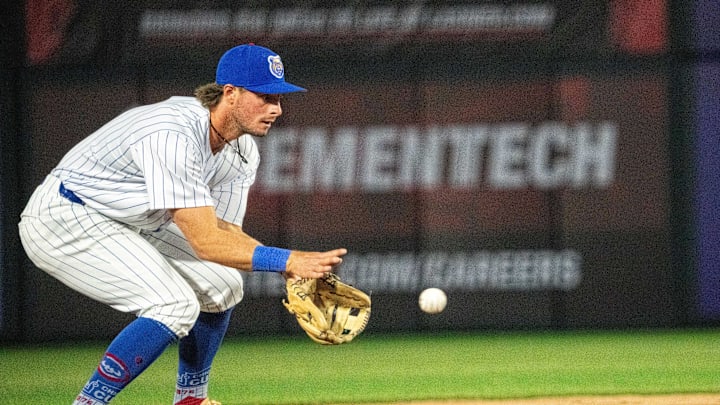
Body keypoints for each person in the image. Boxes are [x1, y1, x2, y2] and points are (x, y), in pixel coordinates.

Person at [18, 43, 347, 405]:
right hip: (65, 216)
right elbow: (206, 242)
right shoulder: (173, 133)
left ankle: (190, 399)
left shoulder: (242, 151)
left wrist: (286, 268)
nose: (276, 109)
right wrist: (285, 259)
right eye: (265, 96)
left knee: (223, 285)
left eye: (279, 98)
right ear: (231, 94)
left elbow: (223, 233)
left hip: (131, 220)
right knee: (174, 305)